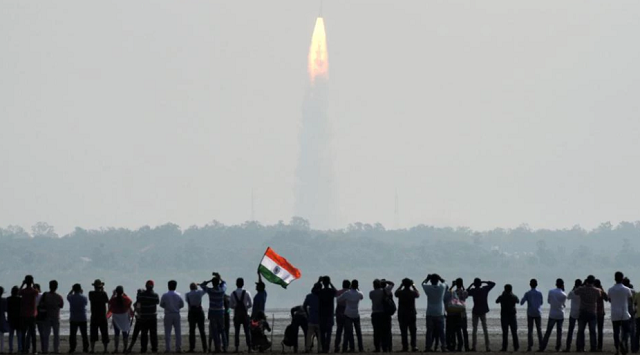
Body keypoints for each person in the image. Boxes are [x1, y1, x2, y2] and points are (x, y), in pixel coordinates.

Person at [201, 272, 228, 353]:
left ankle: (218, 347)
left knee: (215, 330)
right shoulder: (222, 290)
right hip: (220, 311)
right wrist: (219, 277)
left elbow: (202, 285)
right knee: (222, 330)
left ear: (212, 283)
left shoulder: (210, 290)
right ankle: (225, 347)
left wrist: (208, 281)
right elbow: (224, 283)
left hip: (212, 311)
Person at [574, 275, 602, 352]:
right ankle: (593, 347)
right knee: (592, 331)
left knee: (581, 331)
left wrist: (583, 285)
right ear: (593, 282)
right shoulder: (597, 290)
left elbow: (575, 292)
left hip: (583, 311)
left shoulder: (581, 289)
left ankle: (580, 347)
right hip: (592, 312)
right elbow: (600, 295)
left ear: (586, 281)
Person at [467, 278, 496, 352]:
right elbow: (493, 283)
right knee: (485, 329)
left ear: (474, 284)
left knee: (474, 329)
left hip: (476, 310)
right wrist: (484, 282)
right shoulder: (484, 289)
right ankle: (487, 347)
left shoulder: (473, 290)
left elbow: (466, 292)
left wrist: (471, 285)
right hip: (483, 310)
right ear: (480, 284)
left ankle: (474, 347)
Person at [608, 272, 633, 355]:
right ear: (622, 279)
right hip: (624, 313)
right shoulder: (626, 289)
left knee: (616, 332)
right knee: (626, 331)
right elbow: (630, 299)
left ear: (615, 279)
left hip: (614, 313)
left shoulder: (611, 289)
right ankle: (622, 341)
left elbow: (610, 300)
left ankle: (617, 350)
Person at [337, 280, 364, 353]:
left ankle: (351, 347)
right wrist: (358, 289)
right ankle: (361, 347)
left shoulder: (347, 293)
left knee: (349, 332)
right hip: (356, 313)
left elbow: (338, 299)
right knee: (358, 332)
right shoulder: (359, 293)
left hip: (348, 313)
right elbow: (362, 297)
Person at [540, 279, 567, 352]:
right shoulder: (564, 294)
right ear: (562, 285)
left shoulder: (551, 292)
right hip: (560, 314)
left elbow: (549, 301)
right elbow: (563, 304)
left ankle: (542, 347)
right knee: (559, 332)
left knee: (548, 331)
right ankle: (558, 347)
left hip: (553, 313)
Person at [421, 274, 446, 352]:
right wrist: (440, 278)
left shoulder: (428, 288)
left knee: (429, 331)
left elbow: (423, 284)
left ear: (431, 281)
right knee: (441, 331)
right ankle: (444, 346)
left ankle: (428, 347)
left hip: (430, 312)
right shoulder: (441, 288)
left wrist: (427, 278)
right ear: (437, 281)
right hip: (439, 312)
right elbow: (445, 282)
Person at [395, 278, 420, 352]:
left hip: (402, 314)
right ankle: (413, 346)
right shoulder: (412, 293)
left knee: (404, 331)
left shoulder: (400, 292)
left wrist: (400, 286)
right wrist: (414, 285)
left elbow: (395, 293)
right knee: (413, 331)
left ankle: (405, 346)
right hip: (411, 313)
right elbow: (418, 294)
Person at [370, 278, 394, 352]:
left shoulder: (371, 293)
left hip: (375, 313)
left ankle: (377, 347)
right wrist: (385, 281)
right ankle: (385, 347)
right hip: (383, 313)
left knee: (376, 332)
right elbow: (392, 284)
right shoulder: (385, 291)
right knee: (385, 332)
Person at [40, 280, 64, 354]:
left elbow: (41, 304)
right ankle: (56, 349)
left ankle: (45, 349)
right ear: (56, 287)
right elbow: (61, 305)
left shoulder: (46, 295)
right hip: (55, 316)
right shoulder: (59, 296)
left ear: (49, 286)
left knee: (46, 334)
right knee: (56, 334)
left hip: (47, 316)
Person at [160, 280, 184, 353]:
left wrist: (167, 307)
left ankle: (168, 348)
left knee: (167, 332)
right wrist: (177, 307)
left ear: (168, 286)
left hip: (168, 314)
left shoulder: (165, 295)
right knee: (178, 332)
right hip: (176, 314)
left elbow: (161, 304)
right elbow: (182, 305)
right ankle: (178, 348)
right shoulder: (178, 295)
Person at [229, 278, 253, 353]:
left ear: (236, 284)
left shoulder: (233, 293)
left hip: (237, 315)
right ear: (243, 284)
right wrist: (246, 307)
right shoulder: (247, 293)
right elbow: (251, 304)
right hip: (245, 315)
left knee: (237, 332)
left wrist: (235, 307)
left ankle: (236, 348)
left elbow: (230, 305)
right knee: (247, 331)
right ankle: (249, 347)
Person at [314, 276, 336, 354]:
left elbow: (313, 290)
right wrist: (330, 283)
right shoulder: (331, 291)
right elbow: (336, 291)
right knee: (329, 333)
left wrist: (318, 282)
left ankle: (323, 348)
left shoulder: (321, 292)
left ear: (323, 283)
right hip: (329, 314)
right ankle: (327, 348)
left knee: (322, 333)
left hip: (322, 314)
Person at [520, 279, 543, 352]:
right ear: (536, 284)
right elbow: (541, 302)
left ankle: (530, 345)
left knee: (530, 330)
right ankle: (541, 344)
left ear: (530, 285)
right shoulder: (539, 293)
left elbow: (522, 302)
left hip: (530, 312)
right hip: (538, 312)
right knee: (539, 329)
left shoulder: (527, 293)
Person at [495, 284, 520, 352]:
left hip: (504, 316)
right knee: (514, 332)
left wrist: (502, 294)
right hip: (512, 316)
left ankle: (504, 347)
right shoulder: (513, 296)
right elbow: (518, 301)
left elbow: (496, 301)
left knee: (505, 333)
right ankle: (516, 347)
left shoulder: (502, 296)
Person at [109, 286, 133, 354]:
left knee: (117, 334)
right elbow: (130, 302)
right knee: (124, 333)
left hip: (116, 317)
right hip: (124, 317)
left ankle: (116, 349)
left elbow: (109, 303)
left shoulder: (114, 299)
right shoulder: (126, 299)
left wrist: (113, 295)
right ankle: (125, 348)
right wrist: (125, 295)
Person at [89, 279, 110, 354]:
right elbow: (107, 301)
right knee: (104, 333)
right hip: (102, 316)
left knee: (93, 334)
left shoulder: (91, 293)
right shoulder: (103, 294)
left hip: (94, 316)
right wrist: (102, 290)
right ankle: (105, 349)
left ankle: (92, 349)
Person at [19, 275, 39, 355]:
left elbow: (18, 292)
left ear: (25, 281)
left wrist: (22, 284)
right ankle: (34, 350)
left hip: (24, 314)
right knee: (33, 334)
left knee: (23, 333)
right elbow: (38, 291)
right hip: (32, 315)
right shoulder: (33, 291)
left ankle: (24, 349)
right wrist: (33, 283)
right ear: (31, 282)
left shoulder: (23, 291)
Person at [185, 282, 207, 353]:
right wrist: (201, 284)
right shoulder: (199, 292)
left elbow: (187, 301)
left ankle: (192, 347)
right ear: (196, 287)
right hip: (199, 312)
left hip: (191, 312)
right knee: (202, 331)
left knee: (192, 331)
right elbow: (205, 290)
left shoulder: (187, 294)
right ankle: (205, 348)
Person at [67, 283, 89, 354]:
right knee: (84, 334)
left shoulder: (71, 297)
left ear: (74, 289)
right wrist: (81, 293)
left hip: (74, 318)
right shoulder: (84, 297)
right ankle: (85, 348)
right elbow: (85, 303)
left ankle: (72, 348)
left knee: (73, 335)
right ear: (80, 289)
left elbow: (68, 296)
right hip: (82, 317)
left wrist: (71, 291)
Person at [564, 279, 582, 352]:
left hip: (573, 313)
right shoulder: (582, 292)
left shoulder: (572, 292)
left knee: (570, 330)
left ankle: (568, 347)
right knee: (580, 331)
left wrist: (573, 288)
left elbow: (568, 297)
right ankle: (579, 347)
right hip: (580, 313)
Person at [334, 280, 350, 353]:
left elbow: (335, 291)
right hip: (347, 311)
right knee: (346, 331)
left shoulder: (339, 292)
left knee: (339, 330)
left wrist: (331, 283)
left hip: (339, 311)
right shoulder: (350, 292)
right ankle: (345, 347)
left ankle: (337, 346)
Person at [304, 283, 321, 353]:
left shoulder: (309, 296)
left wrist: (307, 314)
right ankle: (319, 349)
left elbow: (304, 306)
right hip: (319, 319)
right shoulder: (321, 297)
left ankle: (307, 348)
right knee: (320, 336)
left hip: (311, 318)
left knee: (309, 335)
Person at [594, 279, 609, 351]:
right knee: (600, 330)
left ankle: (593, 346)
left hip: (593, 312)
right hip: (600, 312)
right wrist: (602, 289)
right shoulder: (601, 291)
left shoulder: (593, 290)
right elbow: (606, 298)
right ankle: (599, 346)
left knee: (593, 330)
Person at [7, 286, 23, 354]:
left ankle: (11, 348)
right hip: (19, 318)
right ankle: (19, 348)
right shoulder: (20, 299)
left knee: (11, 334)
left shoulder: (8, 299)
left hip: (11, 318)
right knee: (19, 334)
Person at [0, 286, 8, 354]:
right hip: (1, 317)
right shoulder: (4, 300)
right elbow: (6, 309)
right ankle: (1, 349)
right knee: (1, 335)